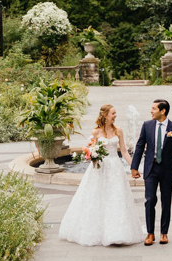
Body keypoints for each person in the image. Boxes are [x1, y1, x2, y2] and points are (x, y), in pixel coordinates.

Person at [58, 104, 144, 246]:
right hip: (99, 168)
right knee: (97, 197)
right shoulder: (96, 132)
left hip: (115, 168)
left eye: (115, 113)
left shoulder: (119, 131)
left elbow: (123, 151)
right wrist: (92, 157)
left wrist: (133, 167)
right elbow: (88, 150)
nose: (115, 115)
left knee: (116, 197)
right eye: (113, 113)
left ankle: (118, 232)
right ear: (105, 115)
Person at [130, 98, 172, 245]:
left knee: (166, 201)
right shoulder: (147, 125)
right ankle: (150, 233)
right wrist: (134, 167)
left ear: (163, 111)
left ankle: (164, 233)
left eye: (154, 108)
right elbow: (140, 146)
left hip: (167, 170)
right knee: (150, 200)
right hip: (151, 168)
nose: (151, 111)